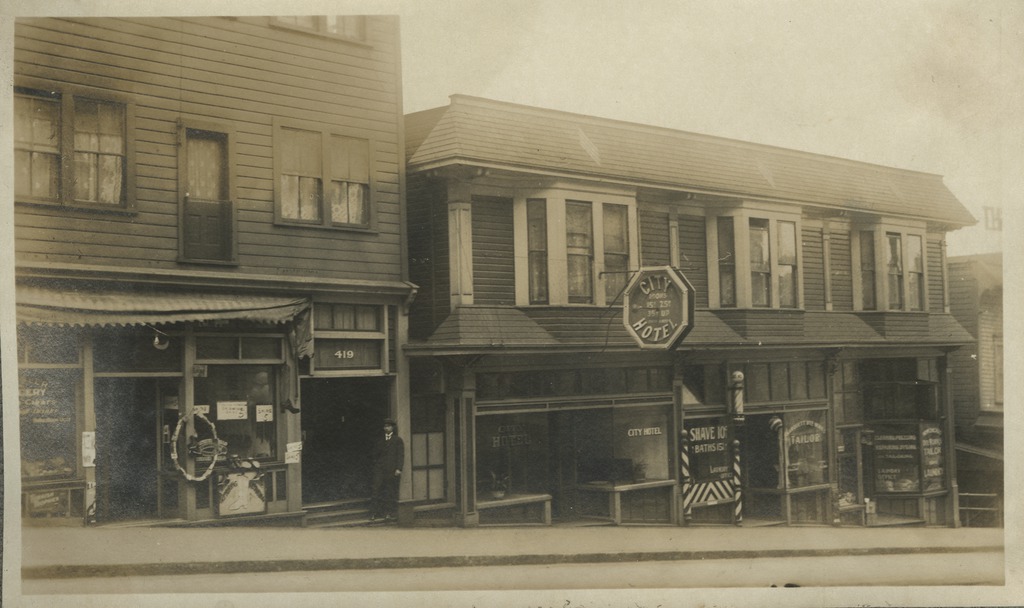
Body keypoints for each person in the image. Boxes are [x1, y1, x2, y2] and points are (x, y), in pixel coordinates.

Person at [369, 417, 404, 522]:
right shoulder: (379, 440)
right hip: (379, 469)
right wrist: (377, 465)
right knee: (376, 489)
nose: (387, 428)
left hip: (391, 470)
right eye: (385, 426)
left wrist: (398, 468)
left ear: (393, 428)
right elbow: (374, 455)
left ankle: (387, 513)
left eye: (389, 426)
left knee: (389, 491)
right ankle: (373, 513)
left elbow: (400, 455)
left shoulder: (397, 440)